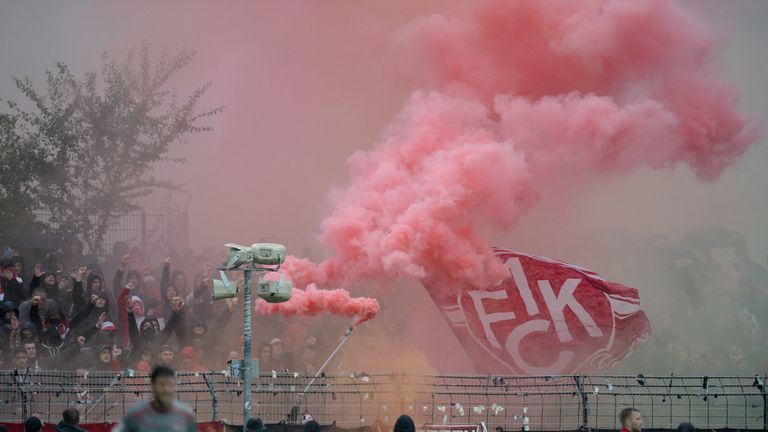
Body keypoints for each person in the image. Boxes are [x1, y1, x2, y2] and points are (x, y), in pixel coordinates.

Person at [118, 366, 196, 432]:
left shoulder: (186, 414)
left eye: (170, 385)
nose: (166, 389)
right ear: (153, 386)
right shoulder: (135, 414)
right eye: (161, 384)